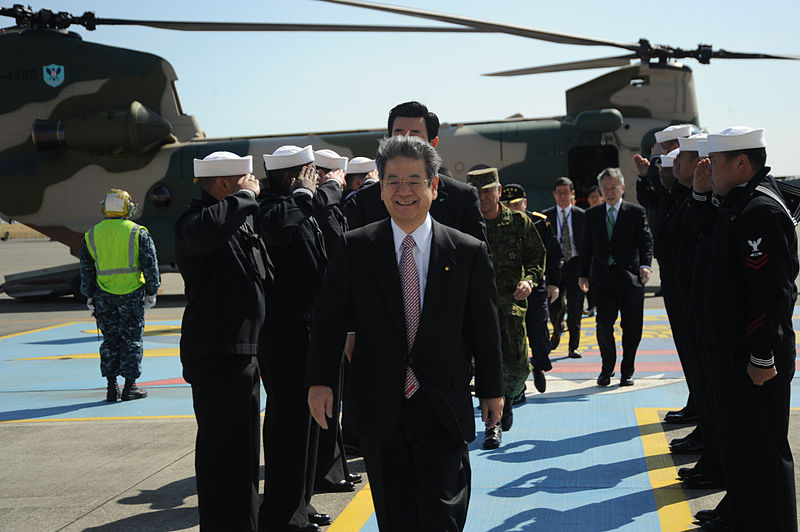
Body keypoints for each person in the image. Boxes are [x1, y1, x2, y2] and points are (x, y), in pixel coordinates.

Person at [308, 135, 504, 532]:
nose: (404, 190)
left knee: (442, 512)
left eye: (415, 180)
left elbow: (485, 325)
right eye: (393, 180)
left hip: (443, 403)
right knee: (396, 516)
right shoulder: (355, 248)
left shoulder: (466, 251)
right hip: (381, 405)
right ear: (380, 188)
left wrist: (492, 389)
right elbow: (329, 320)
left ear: (434, 187)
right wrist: (320, 382)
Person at [692, 127, 797, 531]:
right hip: (732, 352)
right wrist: (702, 195)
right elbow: (707, 243)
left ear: (741, 163)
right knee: (740, 448)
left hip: (754, 357)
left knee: (765, 453)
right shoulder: (735, 203)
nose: (709, 169)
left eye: (715, 162)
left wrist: (761, 355)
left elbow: (770, 294)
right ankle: (742, 516)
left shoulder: (759, 211)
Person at [174, 152, 267, 531]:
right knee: (222, 457)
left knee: (244, 455)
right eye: (245, 178)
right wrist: (245, 197)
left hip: (242, 353)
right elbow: (208, 229)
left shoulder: (234, 219)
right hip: (215, 354)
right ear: (225, 184)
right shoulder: (194, 222)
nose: (253, 184)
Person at [256, 145, 346, 532]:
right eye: (310, 171)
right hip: (283, 334)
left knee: (308, 426)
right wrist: (308, 194)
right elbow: (278, 227)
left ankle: (300, 504)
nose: (317, 176)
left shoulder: (302, 206)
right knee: (290, 427)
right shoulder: (272, 207)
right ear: (293, 176)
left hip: (309, 327)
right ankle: (281, 516)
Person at [469, 169, 544, 451]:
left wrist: (529, 280)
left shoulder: (518, 222)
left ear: (498, 191)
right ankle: (492, 425)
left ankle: (508, 399)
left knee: (517, 367)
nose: (483, 197)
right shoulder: (469, 224)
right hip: (477, 308)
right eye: (478, 192)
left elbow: (537, 256)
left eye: (488, 191)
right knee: (486, 366)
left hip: (511, 308)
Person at [342, 101, 486, 242]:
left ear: (433, 143)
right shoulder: (366, 200)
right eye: (399, 136)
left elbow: (476, 259)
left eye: (415, 137)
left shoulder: (462, 199)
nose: (406, 143)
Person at [79, 188, 159, 402]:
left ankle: (111, 387)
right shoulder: (137, 232)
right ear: (127, 208)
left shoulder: (91, 234)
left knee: (110, 341)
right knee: (131, 340)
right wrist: (152, 291)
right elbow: (150, 264)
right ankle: (130, 387)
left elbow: (87, 270)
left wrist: (89, 295)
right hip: (132, 294)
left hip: (103, 295)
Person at [578, 168, 653, 387]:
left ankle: (627, 370)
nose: (610, 192)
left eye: (614, 187)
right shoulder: (591, 215)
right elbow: (586, 247)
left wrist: (646, 265)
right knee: (603, 326)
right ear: (600, 190)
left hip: (630, 279)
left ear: (622, 188)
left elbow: (646, 241)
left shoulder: (636, 212)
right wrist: (583, 274)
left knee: (631, 328)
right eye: (605, 188)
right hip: (602, 281)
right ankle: (606, 368)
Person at [501, 183, 561, 395]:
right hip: (509, 289)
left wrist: (554, 283)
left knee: (539, 332)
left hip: (536, 287)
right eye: (508, 205)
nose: (513, 208)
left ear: (525, 203)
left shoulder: (539, 222)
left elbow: (553, 255)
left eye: (517, 204)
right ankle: (519, 384)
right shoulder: (498, 224)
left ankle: (538, 364)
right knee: (513, 339)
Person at [543, 177, 586, 358]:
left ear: (572, 194)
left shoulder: (581, 215)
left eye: (566, 192)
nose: (562, 196)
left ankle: (573, 346)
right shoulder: (546, 217)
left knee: (576, 307)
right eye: (559, 192)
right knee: (554, 305)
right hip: (555, 266)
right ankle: (557, 327)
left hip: (576, 264)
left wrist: (586, 272)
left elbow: (587, 245)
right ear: (554, 194)